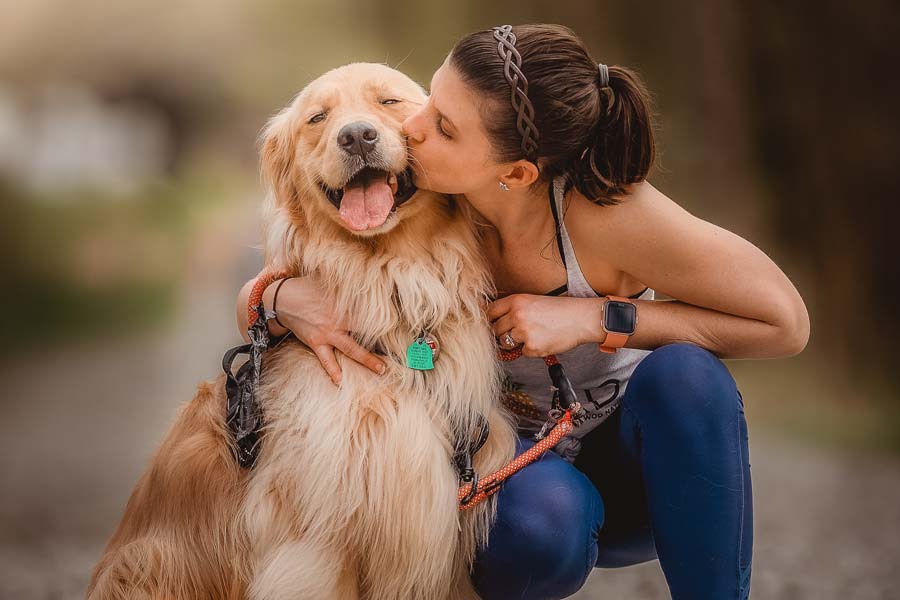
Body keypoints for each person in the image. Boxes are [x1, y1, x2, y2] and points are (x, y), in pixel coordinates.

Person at [236, 23, 809, 600]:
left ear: (515, 173)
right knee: (541, 524)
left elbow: (784, 322)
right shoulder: (429, 218)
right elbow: (278, 287)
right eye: (429, 100)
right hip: (521, 493)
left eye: (443, 127)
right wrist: (277, 299)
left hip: (637, 476)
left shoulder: (606, 212)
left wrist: (597, 320)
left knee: (688, 375)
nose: (410, 127)